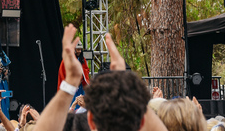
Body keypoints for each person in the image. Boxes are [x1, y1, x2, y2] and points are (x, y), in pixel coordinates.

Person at [32, 25, 167, 131]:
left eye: (80, 50)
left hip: (78, 86)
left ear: (91, 120)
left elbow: (85, 73)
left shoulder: (83, 60)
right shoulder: (67, 62)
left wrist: (72, 80)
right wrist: (123, 81)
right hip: (76, 88)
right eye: (77, 50)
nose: (78, 51)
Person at [57, 41, 89, 106]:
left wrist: (81, 79)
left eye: (80, 49)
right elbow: (63, 73)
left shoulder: (82, 59)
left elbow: (86, 70)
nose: (79, 51)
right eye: (78, 49)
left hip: (80, 86)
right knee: (72, 104)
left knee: (81, 104)